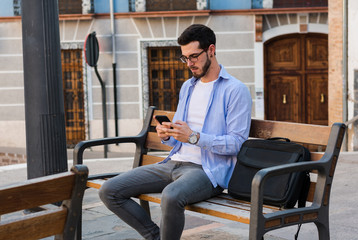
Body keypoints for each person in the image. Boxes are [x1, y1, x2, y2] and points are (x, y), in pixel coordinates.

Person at [99, 24, 252, 240]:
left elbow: (237, 143)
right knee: (109, 190)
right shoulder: (188, 87)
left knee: (170, 196)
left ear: (211, 50)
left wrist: (194, 137)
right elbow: (179, 135)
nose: (189, 63)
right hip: (173, 162)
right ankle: (155, 236)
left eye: (194, 56)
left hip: (207, 171)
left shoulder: (235, 90)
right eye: (185, 58)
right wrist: (168, 134)